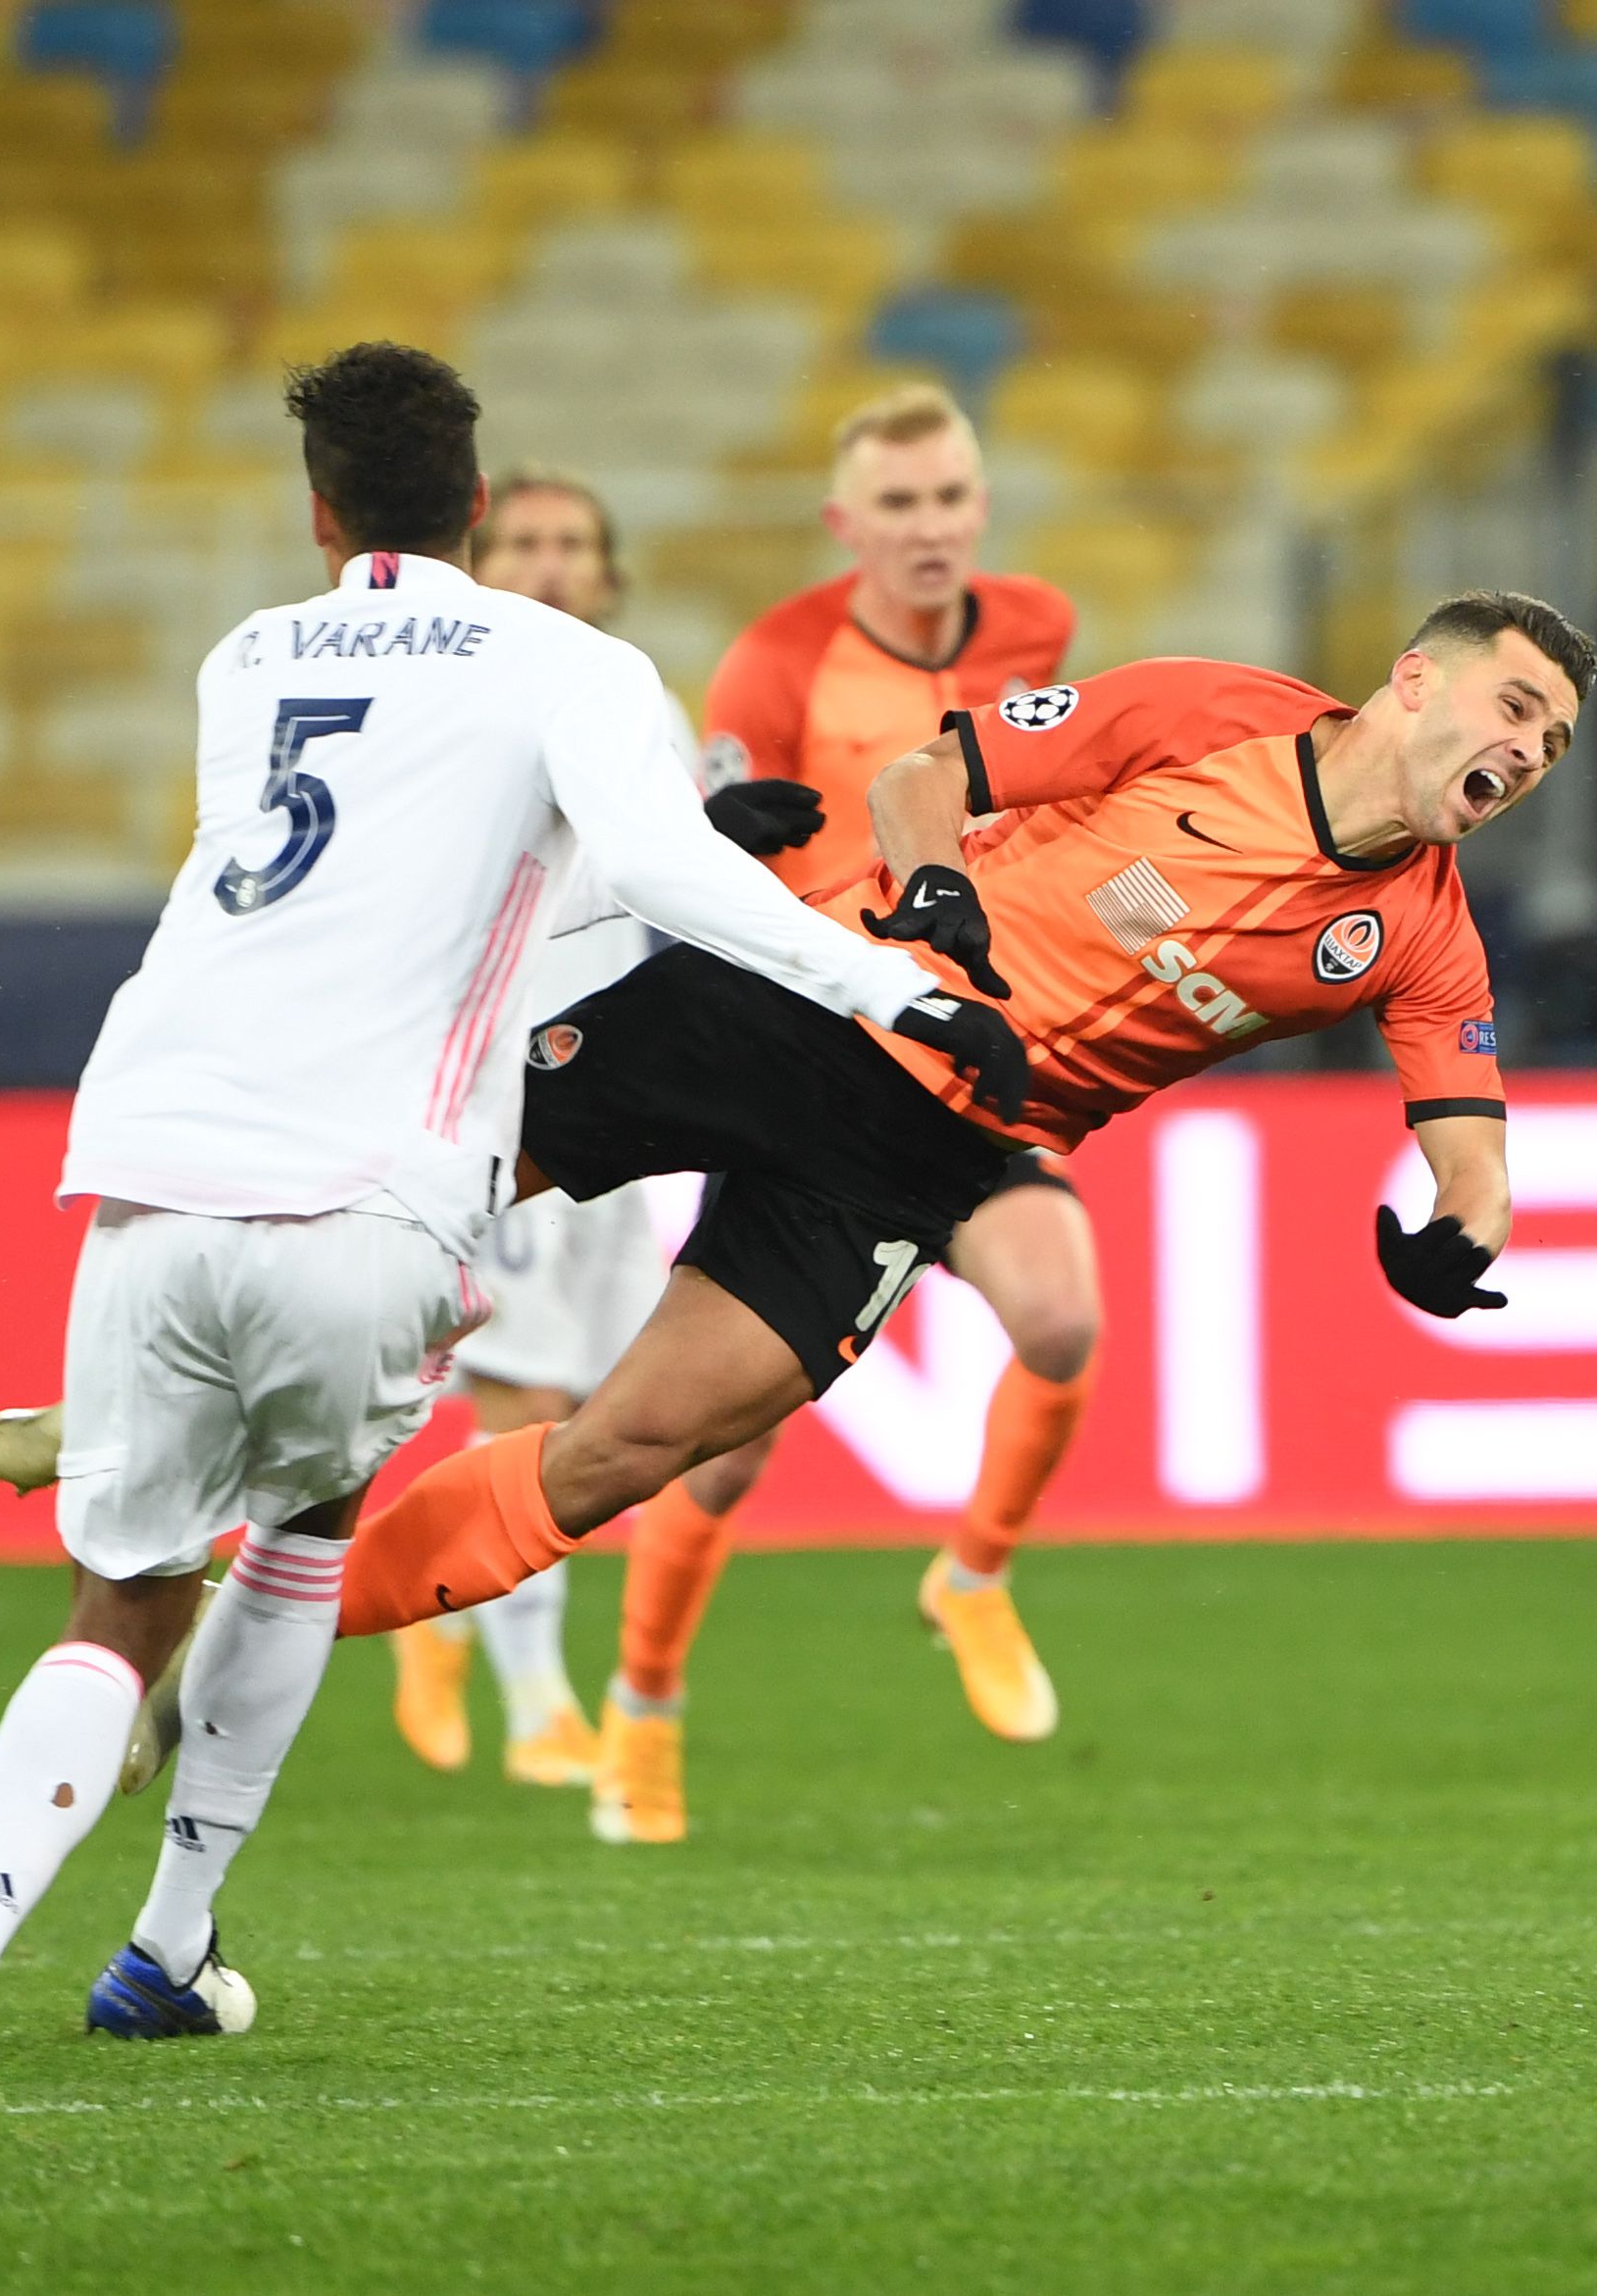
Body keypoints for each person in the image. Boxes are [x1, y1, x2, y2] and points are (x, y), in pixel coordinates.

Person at [0, 343, 1002, 2059]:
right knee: (302, 1538)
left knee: (121, 1596)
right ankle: (168, 1945)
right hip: (368, 1195)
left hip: (150, 1167)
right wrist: (883, 982)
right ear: (481, 506)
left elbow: (353, 895)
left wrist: (688, 838)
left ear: (320, 509)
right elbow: (632, 875)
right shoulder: (569, 657)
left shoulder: (247, 656)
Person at [325, 594, 1592, 1715]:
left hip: (920, 1161)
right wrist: (937, 886)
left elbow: (1473, 1160)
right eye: (1517, 705)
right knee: (428, 1185)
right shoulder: (1207, 711)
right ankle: (194, 1409)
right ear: (1416, 678)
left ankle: (259, 1629)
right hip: (818, 1000)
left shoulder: (1423, 937)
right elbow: (920, 777)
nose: (1530, 751)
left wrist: (1461, 1237)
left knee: (625, 1452)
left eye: (1553, 743)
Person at [594, 381, 1085, 1848]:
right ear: (844, 523)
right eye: (898, 505)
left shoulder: (1040, 629)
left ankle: (974, 1576)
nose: (928, 528)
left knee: (1060, 1320)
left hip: (971, 1055)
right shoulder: (776, 662)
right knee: (723, 1448)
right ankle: (646, 1700)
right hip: (817, 1065)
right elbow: (715, 864)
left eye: (948, 499)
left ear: (979, 506)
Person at [383, 471, 719, 1791]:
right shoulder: (445, 703)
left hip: (618, 1091)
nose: (548, 562)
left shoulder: (645, 703)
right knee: (518, 1393)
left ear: (608, 569)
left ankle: (447, 1621)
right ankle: (533, 1698)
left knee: (593, 1403)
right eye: (521, 540)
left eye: (573, 543)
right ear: (477, 557)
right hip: (493, 1083)